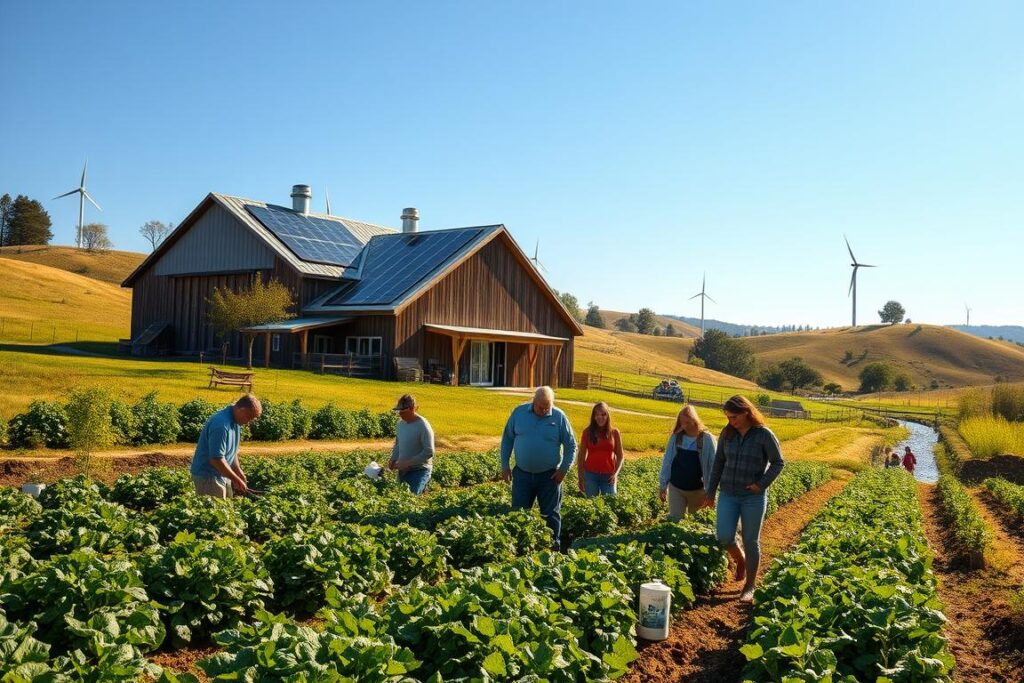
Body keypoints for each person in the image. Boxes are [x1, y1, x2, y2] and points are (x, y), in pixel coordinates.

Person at [705, 395, 785, 603]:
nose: (730, 421)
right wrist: (711, 492)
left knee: (751, 541)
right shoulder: (727, 433)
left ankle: (749, 586)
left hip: (753, 497)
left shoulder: (763, 435)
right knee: (724, 536)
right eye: (728, 417)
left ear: (746, 413)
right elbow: (719, 463)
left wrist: (761, 484)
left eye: (734, 417)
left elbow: (778, 463)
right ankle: (740, 561)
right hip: (728, 494)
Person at [501, 385, 577, 549]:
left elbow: (571, 445)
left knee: (551, 515)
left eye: (547, 407)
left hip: (549, 477)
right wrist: (505, 465)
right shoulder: (519, 413)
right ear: (533, 401)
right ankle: (519, 547)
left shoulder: (559, 417)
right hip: (522, 475)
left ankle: (553, 547)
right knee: (519, 514)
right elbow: (507, 439)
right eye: (541, 407)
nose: (544, 411)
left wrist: (563, 470)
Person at [190, 394, 261, 498]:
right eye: (248, 417)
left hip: (222, 474)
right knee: (214, 512)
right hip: (208, 477)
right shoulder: (221, 425)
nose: (248, 422)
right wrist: (235, 479)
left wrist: (238, 471)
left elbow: (231, 451)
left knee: (226, 509)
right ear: (241, 410)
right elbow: (216, 459)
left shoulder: (236, 421)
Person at [658, 405, 717, 520]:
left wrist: (711, 492)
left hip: (698, 490)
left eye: (688, 423)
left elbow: (713, 465)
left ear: (695, 420)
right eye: (682, 423)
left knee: (696, 521)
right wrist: (663, 485)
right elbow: (668, 461)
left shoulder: (707, 439)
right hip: (676, 487)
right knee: (675, 519)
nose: (684, 426)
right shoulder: (676, 437)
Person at [387, 394, 435, 495]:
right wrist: (392, 460)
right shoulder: (401, 424)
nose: (400, 414)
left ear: (412, 409)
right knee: (401, 500)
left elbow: (429, 451)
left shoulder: (423, 425)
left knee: (411, 498)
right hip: (403, 471)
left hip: (420, 470)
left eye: (403, 411)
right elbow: (398, 444)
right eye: (398, 411)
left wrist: (408, 463)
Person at [577, 402, 623, 497]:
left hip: (609, 476)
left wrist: (615, 474)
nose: (600, 417)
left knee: (611, 503)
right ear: (593, 416)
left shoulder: (615, 433)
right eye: (597, 414)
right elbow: (581, 456)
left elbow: (620, 456)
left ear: (608, 416)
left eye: (603, 414)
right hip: (590, 475)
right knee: (592, 504)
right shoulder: (587, 432)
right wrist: (580, 478)